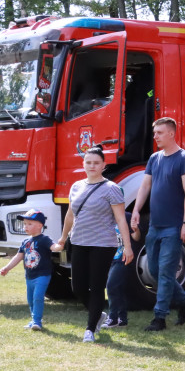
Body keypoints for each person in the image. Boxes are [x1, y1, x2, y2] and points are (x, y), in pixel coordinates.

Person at [52, 147, 134, 343]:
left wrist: (128, 247)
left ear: (104, 165)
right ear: (83, 164)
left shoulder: (111, 189)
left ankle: (90, 329)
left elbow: (121, 220)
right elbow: (70, 216)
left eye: (96, 163)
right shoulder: (76, 187)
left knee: (96, 286)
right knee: (78, 287)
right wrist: (63, 239)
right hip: (79, 241)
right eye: (88, 162)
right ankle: (99, 315)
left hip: (103, 244)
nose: (92, 166)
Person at [131, 118, 185, 331]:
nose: (155, 136)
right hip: (154, 226)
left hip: (173, 227)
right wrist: (135, 210)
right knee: (155, 271)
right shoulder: (154, 158)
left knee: (166, 273)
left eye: (159, 132)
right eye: (154, 133)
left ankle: (159, 318)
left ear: (171, 134)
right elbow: (144, 187)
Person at [0, 209, 58, 331]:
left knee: (38, 296)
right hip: (29, 276)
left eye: (29, 224)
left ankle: (37, 321)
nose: (26, 226)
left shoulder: (44, 239)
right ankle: (33, 320)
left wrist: (60, 245)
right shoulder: (25, 242)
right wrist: (7, 268)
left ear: (40, 226)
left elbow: (54, 247)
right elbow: (18, 256)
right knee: (30, 299)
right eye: (25, 224)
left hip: (42, 275)